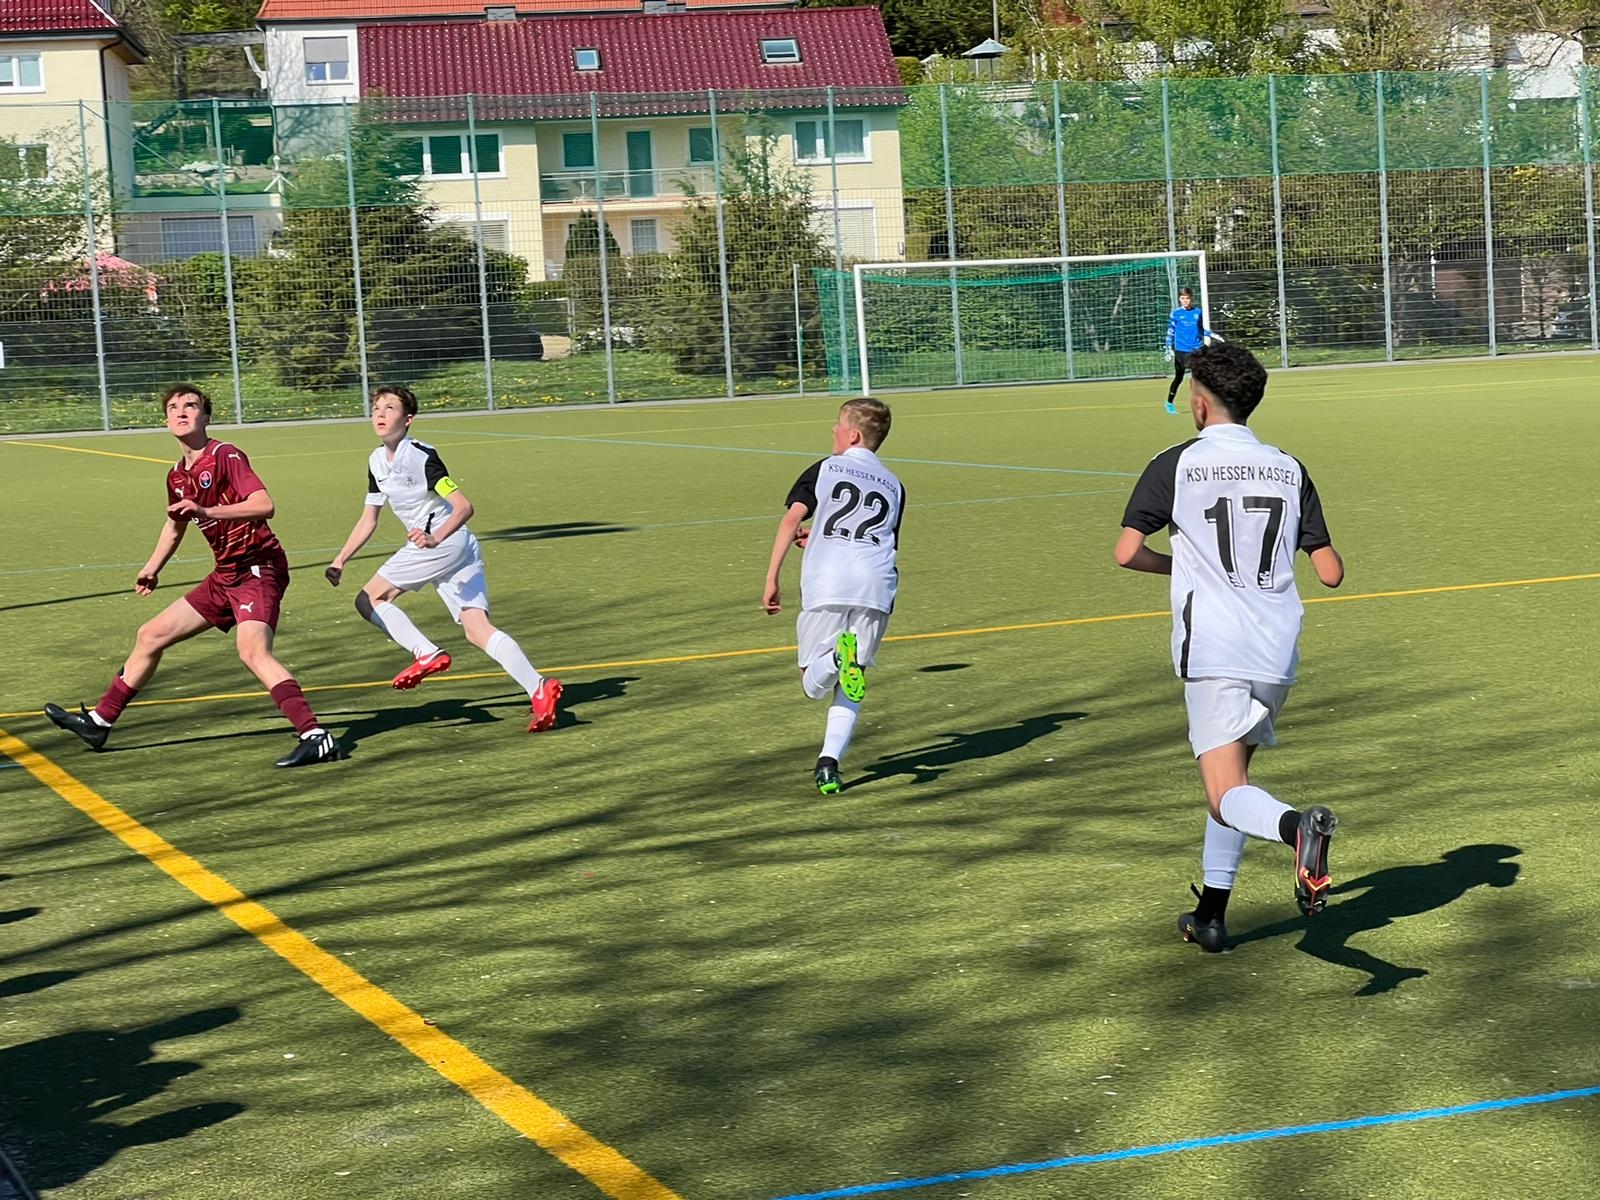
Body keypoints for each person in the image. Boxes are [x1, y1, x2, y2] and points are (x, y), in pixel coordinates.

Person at [1115, 343, 1344, 953]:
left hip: (1215, 643)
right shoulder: (1288, 467)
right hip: (1276, 646)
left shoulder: (1177, 462)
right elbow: (1330, 572)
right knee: (1234, 785)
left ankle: (1296, 828)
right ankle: (1211, 916)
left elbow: (1127, 552)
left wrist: (1185, 566)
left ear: (1198, 405)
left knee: (1225, 793)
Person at [44, 385, 344, 768]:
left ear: (206, 417)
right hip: (225, 575)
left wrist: (208, 511)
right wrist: (152, 568)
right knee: (150, 635)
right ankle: (99, 723)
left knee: (252, 651)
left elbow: (264, 504)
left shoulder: (225, 455)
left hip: (258, 567)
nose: (181, 411)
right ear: (166, 420)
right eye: (173, 407)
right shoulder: (176, 476)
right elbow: (175, 525)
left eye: (191, 405)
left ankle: (316, 737)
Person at [324, 384, 562, 732]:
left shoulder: (422, 456)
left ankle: (426, 652)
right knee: (477, 630)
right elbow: (369, 519)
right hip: (457, 547)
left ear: (408, 419)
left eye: (389, 408)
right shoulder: (375, 462)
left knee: (369, 599)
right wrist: (341, 558)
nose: (379, 414)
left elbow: (463, 506)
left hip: (441, 542)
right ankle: (539, 688)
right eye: (376, 408)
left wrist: (435, 537)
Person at [763, 398, 904, 795]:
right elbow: (873, 536)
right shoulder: (894, 484)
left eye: (838, 425)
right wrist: (822, 535)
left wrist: (772, 578)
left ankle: (838, 658)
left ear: (853, 435)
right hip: (877, 584)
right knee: (853, 679)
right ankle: (829, 764)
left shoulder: (826, 467)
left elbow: (791, 520)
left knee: (813, 683)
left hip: (829, 582)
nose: (833, 431)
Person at [1163, 286, 1221, 415]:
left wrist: (1212, 334)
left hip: (1196, 349)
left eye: (1187, 298)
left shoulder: (1198, 312)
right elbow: (1170, 331)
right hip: (1181, 350)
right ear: (1180, 299)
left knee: (1198, 377)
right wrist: (1168, 347)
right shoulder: (1176, 313)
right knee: (1179, 377)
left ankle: (1201, 403)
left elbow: (1201, 329)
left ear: (1192, 299)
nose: (1185, 301)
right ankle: (1169, 402)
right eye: (1183, 298)